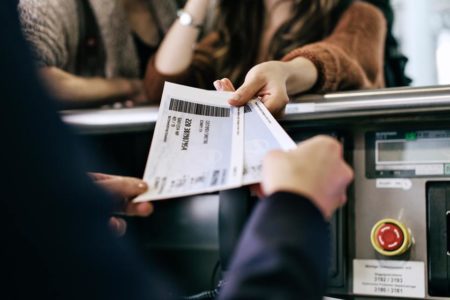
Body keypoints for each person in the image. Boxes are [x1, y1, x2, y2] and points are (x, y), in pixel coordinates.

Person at [1, 2, 353, 299]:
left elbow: (348, 53)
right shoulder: (232, 24)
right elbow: (161, 82)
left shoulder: (355, 10)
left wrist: (287, 70)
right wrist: (294, 208)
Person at [145, 0, 386, 115]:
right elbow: (163, 86)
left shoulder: (360, 15)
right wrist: (197, 4)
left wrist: (285, 72)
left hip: (323, 175)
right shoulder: (235, 28)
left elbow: (340, 56)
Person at [18, 0, 178, 107]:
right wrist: (129, 88)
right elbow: (29, 79)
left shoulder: (172, 6)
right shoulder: (49, 5)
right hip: (91, 151)